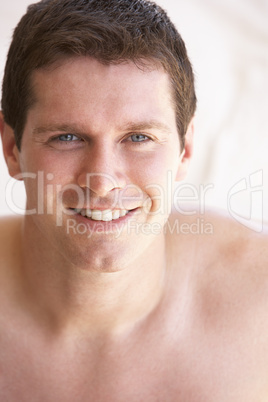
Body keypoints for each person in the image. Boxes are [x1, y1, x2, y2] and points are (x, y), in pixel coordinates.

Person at [0, 0, 267, 400]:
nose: (103, 182)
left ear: (186, 149)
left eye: (139, 137)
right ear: (12, 148)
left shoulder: (258, 304)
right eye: (67, 137)